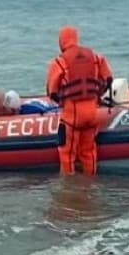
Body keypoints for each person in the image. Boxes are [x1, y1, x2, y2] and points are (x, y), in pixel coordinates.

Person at [45, 26, 112, 176]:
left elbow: (52, 91)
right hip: (92, 113)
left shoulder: (60, 61)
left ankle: (68, 185)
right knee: (89, 152)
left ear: (61, 41)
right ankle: (90, 182)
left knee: (67, 153)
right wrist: (97, 95)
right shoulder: (95, 57)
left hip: (72, 115)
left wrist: (61, 101)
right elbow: (108, 79)